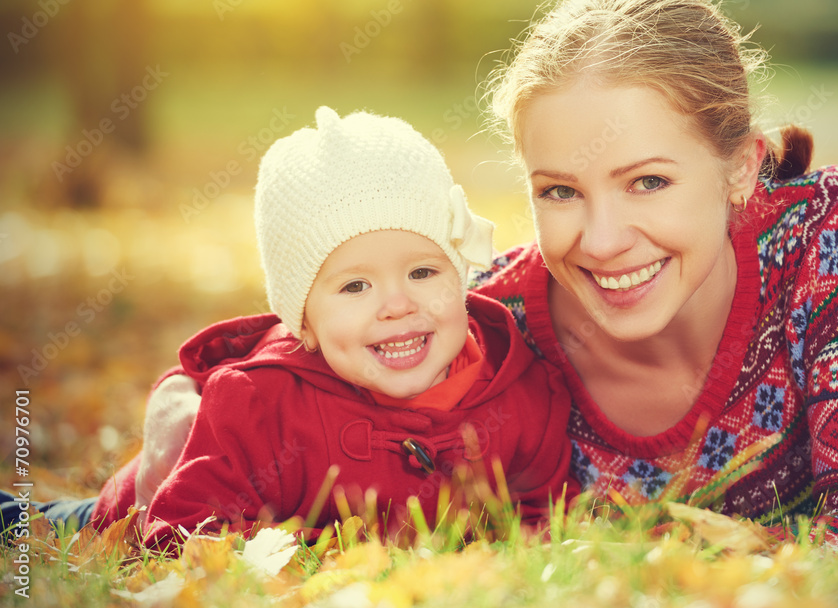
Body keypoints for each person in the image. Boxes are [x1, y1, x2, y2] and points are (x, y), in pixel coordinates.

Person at [471, 0, 838, 547]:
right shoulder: (485, 328)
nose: (603, 241)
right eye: (560, 191)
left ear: (742, 167)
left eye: (648, 181)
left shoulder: (825, 234)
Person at [83, 106, 577, 549]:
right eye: (355, 287)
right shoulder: (260, 407)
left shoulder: (523, 390)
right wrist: (335, 551)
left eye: (423, 273)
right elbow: (181, 530)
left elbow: (546, 514)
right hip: (117, 518)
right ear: (304, 323)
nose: (397, 305)